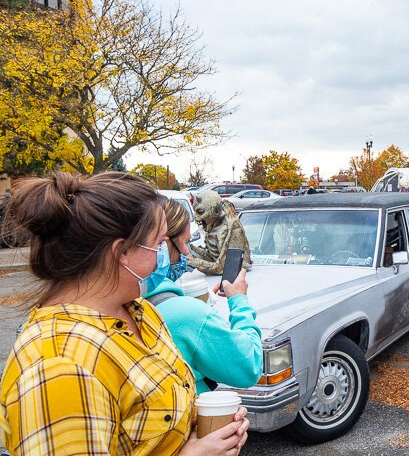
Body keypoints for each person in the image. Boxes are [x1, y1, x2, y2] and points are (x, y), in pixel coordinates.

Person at [0, 172, 248, 455]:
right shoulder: (58, 365)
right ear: (122, 252)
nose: (163, 256)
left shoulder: (141, 312)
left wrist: (204, 430)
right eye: (158, 244)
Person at [143, 198, 263, 394]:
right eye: (185, 242)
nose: (186, 252)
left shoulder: (125, 299)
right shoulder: (188, 314)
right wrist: (239, 301)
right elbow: (249, 367)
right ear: (162, 245)